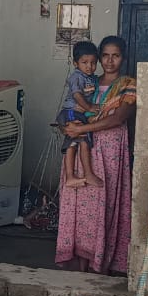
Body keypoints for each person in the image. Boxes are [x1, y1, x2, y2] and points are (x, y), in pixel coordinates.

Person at [55, 36, 137, 276]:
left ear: (123, 58)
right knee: (80, 205)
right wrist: (68, 128)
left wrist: (82, 129)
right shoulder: (87, 81)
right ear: (99, 58)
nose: (110, 61)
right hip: (83, 150)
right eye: (105, 56)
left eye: (116, 56)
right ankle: (80, 265)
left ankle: (100, 264)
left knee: (103, 205)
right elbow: (69, 110)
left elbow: (117, 118)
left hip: (110, 153)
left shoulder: (128, 85)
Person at [56, 41, 100, 188]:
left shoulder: (92, 78)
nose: (89, 66)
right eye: (84, 62)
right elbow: (77, 95)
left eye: (93, 63)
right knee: (73, 142)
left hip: (79, 114)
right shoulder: (76, 76)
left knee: (82, 142)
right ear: (76, 63)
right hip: (70, 112)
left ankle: (85, 174)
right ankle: (71, 176)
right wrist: (89, 107)